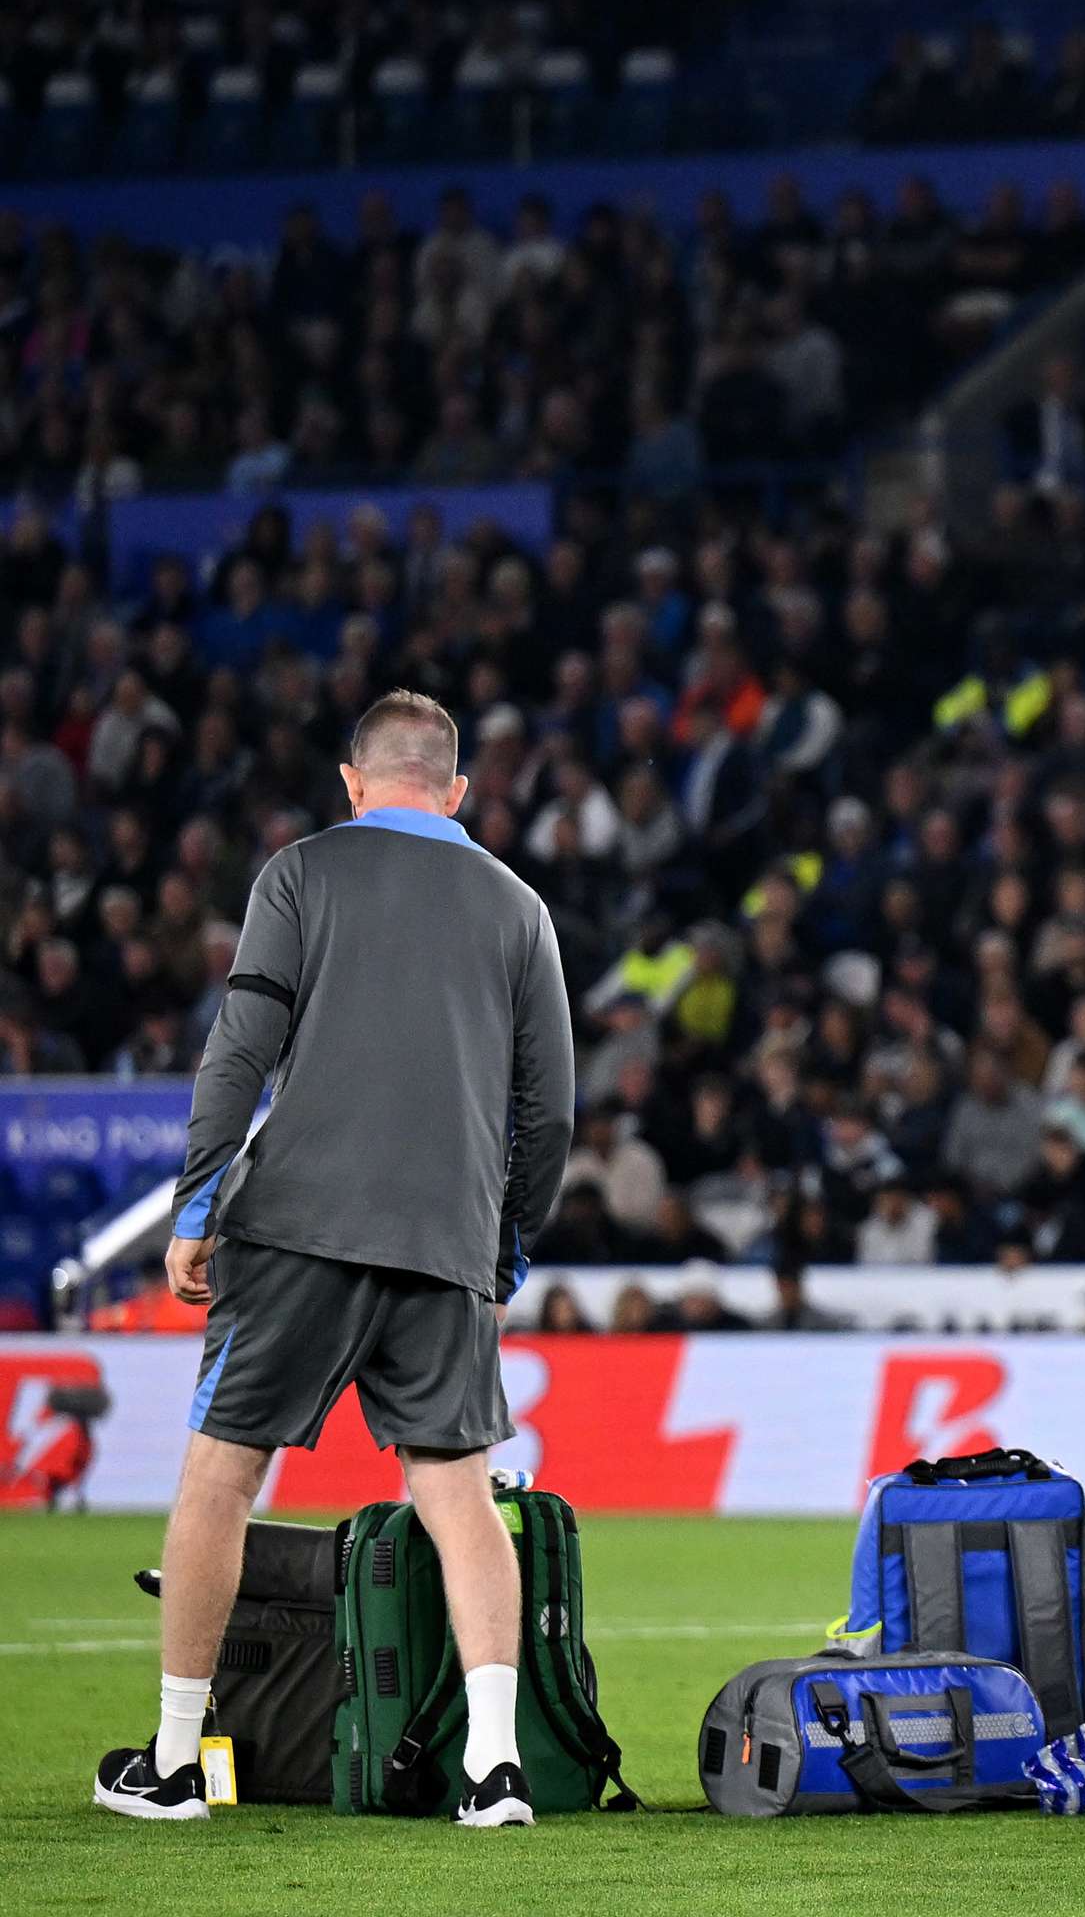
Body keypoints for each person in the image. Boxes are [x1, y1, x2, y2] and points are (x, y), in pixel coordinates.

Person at [103, 692, 575, 1827]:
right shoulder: (520, 907)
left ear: (355, 782)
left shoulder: (301, 872)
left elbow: (240, 1050)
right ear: (456, 792)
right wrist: (505, 1237)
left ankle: (175, 1763)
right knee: (458, 1494)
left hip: (297, 1226)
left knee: (224, 1472)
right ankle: (496, 1768)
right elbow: (549, 1108)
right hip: (444, 1238)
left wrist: (196, 1203)